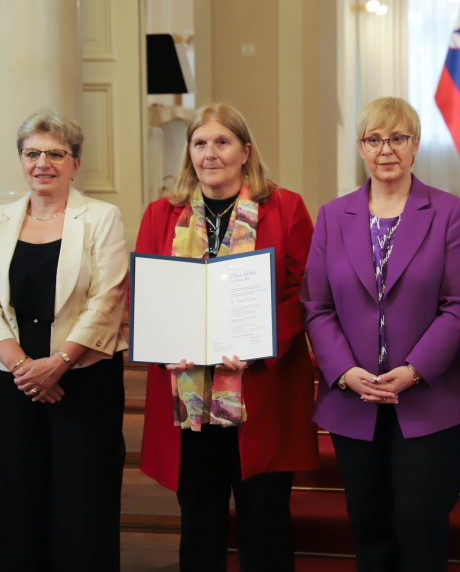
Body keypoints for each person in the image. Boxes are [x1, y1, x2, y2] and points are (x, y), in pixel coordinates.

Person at [135, 102, 318, 572]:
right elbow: (147, 295)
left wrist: (259, 346)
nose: (209, 153)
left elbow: (306, 290)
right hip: (189, 392)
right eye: (200, 143)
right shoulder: (162, 214)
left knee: (265, 514)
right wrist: (164, 344)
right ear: (189, 153)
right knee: (199, 516)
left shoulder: (285, 208)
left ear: (245, 152)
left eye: (222, 142)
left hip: (259, 388)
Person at [301, 97, 460, 571]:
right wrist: (344, 371)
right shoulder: (333, 217)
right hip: (353, 398)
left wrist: (414, 370)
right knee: (369, 525)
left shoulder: (448, 213)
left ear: (415, 145)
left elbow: (459, 305)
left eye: (398, 138)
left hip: (428, 399)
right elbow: (316, 307)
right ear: (360, 147)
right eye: (374, 139)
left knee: (419, 524)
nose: (386, 149)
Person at [0, 110, 128, 571]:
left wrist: (57, 364)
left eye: (56, 153)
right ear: (21, 160)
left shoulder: (101, 217)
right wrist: (25, 369)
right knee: (11, 499)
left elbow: (108, 298)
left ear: (75, 163)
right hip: (10, 382)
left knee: (82, 503)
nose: (43, 163)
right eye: (32, 153)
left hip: (83, 382)